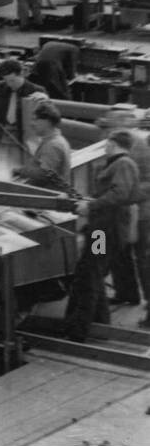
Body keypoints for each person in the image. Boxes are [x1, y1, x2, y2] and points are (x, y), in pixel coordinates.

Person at [65, 130, 140, 341]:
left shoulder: (123, 164)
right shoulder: (118, 164)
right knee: (91, 272)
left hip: (104, 231)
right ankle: (97, 323)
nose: (105, 147)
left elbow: (119, 194)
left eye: (107, 143)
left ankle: (79, 329)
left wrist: (90, 207)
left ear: (114, 143)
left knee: (90, 272)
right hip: (101, 228)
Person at [97, 107, 146, 307]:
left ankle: (98, 306)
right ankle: (127, 293)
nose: (104, 140)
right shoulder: (120, 156)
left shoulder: (126, 159)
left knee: (96, 261)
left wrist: (91, 205)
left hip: (110, 221)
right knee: (119, 256)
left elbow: (121, 192)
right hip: (110, 220)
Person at [0, 58, 48, 148]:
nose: (9, 84)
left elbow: (47, 119)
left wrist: (45, 101)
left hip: (23, 141)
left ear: (21, 74)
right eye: (6, 81)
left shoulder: (37, 91)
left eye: (12, 80)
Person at [12, 102, 71, 190]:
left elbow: (44, 175)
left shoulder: (53, 145)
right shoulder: (55, 140)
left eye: (35, 119)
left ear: (47, 121)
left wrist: (20, 171)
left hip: (51, 199)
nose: (32, 124)